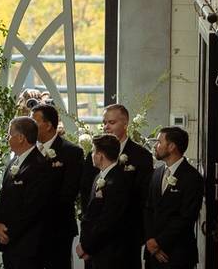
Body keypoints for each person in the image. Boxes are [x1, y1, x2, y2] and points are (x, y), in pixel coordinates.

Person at [79, 104, 153, 268]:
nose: (106, 126)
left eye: (111, 122)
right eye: (104, 122)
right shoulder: (94, 155)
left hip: (126, 237)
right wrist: (89, 236)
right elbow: (86, 193)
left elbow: (144, 198)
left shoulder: (141, 156)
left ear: (125, 123)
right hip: (96, 239)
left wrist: (138, 235)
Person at [0, 116, 56, 269]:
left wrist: (9, 232)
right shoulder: (13, 162)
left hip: (28, 245)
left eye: (9, 135)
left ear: (20, 137)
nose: (7, 139)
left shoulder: (40, 166)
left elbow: (33, 208)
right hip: (9, 243)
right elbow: (3, 195)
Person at [31, 104, 83, 269]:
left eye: (35, 122)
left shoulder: (72, 152)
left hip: (58, 227)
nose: (31, 127)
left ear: (48, 125)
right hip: (30, 230)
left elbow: (69, 192)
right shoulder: (29, 151)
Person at [143, 127, 203, 269]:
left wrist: (159, 243)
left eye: (158, 142)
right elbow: (148, 208)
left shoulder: (192, 178)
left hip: (177, 254)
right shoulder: (157, 173)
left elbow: (186, 217)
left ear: (171, 146)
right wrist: (150, 240)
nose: (155, 146)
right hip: (152, 253)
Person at [77, 134, 131, 268]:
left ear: (100, 155)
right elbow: (90, 215)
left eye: (93, 151)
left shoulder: (118, 180)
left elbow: (108, 221)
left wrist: (88, 247)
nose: (91, 155)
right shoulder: (98, 177)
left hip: (109, 253)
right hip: (95, 251)